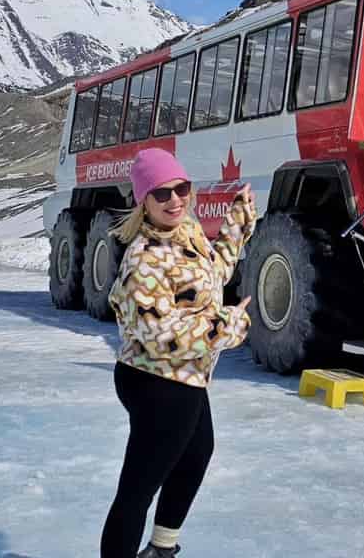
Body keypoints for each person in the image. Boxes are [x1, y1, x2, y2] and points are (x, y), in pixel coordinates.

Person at [100, 147, 256, 558]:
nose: (175, 200)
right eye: (161, 193)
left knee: (196, 454)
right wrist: (228, 326)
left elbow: (211, 275)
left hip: (183, 375)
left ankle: (162, 548)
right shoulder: (144, 259)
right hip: (156, 378)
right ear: (143, 201)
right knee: (138, 487)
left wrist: (237, 223)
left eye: (181, 189)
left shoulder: (186, 235)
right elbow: (160, 334)